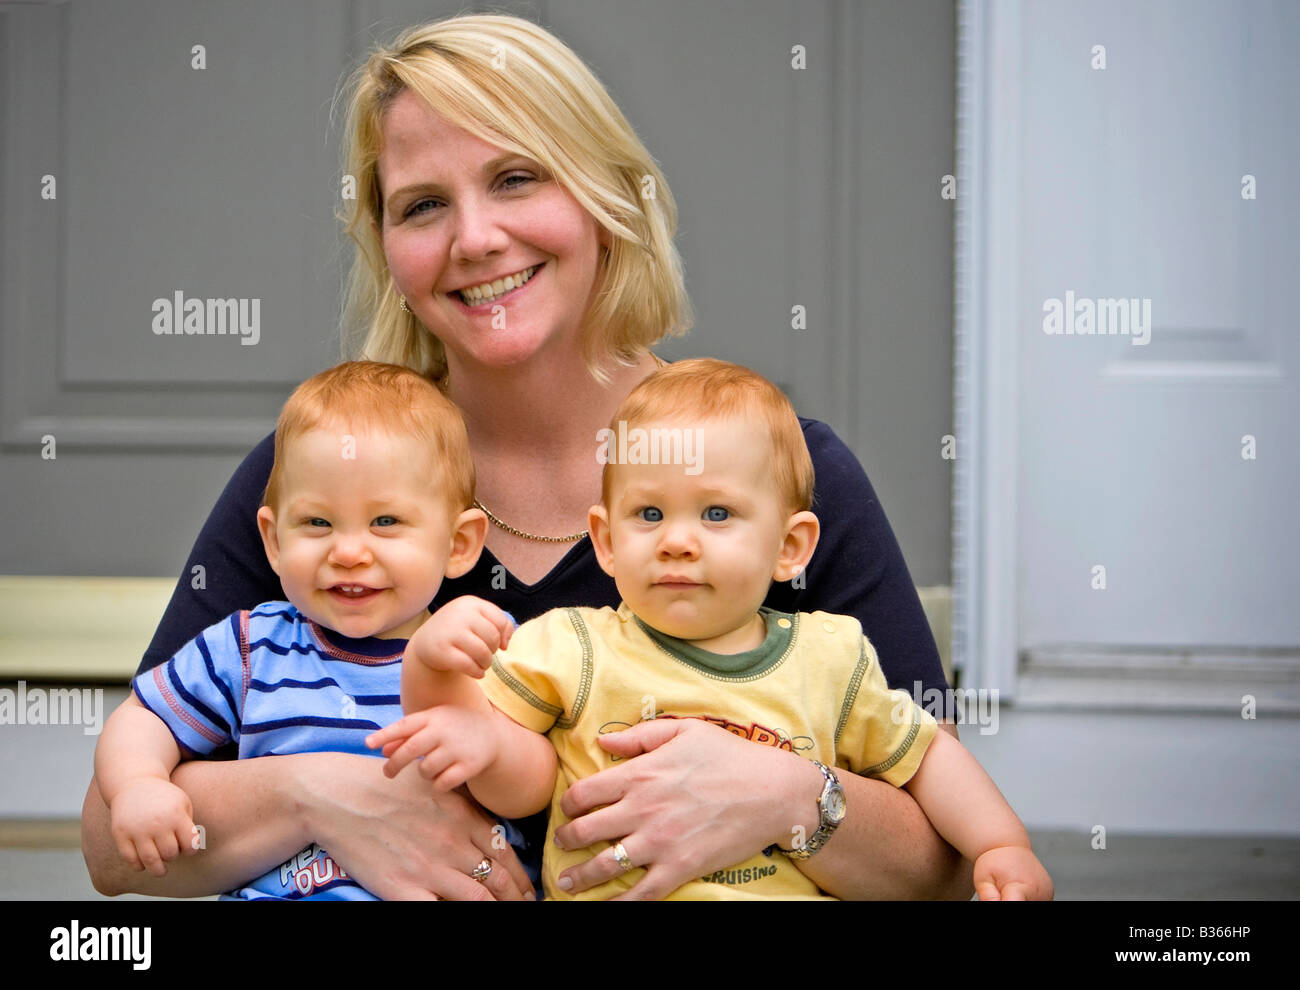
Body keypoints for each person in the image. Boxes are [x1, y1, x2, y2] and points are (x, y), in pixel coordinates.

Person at [82, 12, 973, 901]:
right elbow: (111, 851)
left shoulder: (781, 475)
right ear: (388, 248)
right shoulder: (329, 474)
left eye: (516, 178)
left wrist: (786, 795)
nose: (474, 239)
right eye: (423, 205)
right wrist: (318, 793)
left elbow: (949, 862)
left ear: (607, 197)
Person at [370, 359, 1052, 900]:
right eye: (649, 515)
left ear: (791, 546)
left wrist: (1001, 845)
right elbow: (523, 785)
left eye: (718, 515)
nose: (678, 542)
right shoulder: (574, 645)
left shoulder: (830, 658)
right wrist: (466, 718)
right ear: (605, 542)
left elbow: (927, 756)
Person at [93, 361, 508, 898]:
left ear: (459, 544)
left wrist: (493, 742)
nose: (350, 552)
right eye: (318, 523)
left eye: (385, 522)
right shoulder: (250, 647)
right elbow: (143, 719)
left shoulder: (484, 648)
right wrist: (139, 784)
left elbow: (540, 776)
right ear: (273, 539)